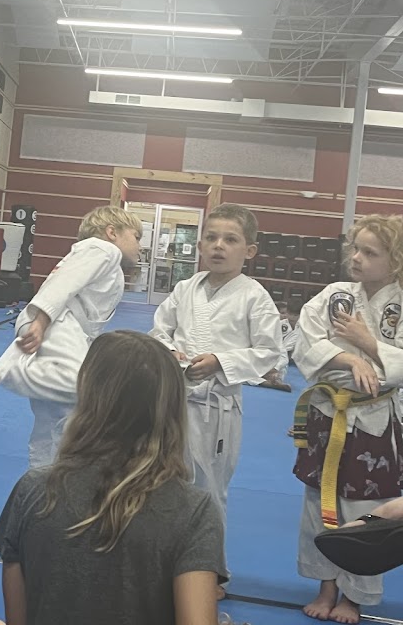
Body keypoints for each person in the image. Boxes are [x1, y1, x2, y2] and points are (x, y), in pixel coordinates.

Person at [0, 331, 224, 625]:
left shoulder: (31, 490)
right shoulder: (193, 511)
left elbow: (19, 619)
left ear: (87, 397)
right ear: (172, 408)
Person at [149, 203, 282, 599]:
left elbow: (270, 353)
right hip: (173, 401)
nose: (218, 246)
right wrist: (169, 351)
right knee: (164, 484)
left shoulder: (254, 296)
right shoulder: (185, 288)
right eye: (211, 238)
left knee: (208, 491)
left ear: (249, 251)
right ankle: (164, 564)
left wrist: (221, 361)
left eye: (230, 239)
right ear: (200, 244)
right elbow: (159, 331)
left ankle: (209, 573)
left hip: (217, 407)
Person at [0, 206, 142, 468]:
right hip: (56, 321)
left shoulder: (98, 257)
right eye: (136, 236)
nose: (140, 246)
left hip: (59, 324)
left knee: (56, 413)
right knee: (80, 383)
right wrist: (42, 320)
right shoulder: (103, 249)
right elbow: (65, 283)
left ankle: (43, 475)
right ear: (112, 232)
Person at [291, 214, 403, 624]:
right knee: (318, 501)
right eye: (355, 249)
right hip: (328, 413)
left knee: (368, 507)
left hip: (375, 421)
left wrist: (367, 342)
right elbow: (305, 341)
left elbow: (395, 369)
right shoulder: (335, 295)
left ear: (396, 260)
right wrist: (348, 358)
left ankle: (354, 596)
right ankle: (325, 587)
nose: (356, 258)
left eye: (369, 253)